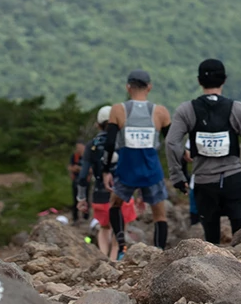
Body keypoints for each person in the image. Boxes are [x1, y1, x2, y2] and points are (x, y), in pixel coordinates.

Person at [166, 58, 241, 244]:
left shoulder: (186, 110)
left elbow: (172, 143)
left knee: (211, 239)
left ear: (199, 81)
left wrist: (177, 177)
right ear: (224, 80)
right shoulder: (237, 109)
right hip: (233, 179)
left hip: (204, 182)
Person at [103, 69, 173, 250]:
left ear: (128, 87)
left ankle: (121, 245)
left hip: (127, 169)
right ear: (149, 87)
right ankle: (159, 252)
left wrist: (105, 171)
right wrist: (179, 171)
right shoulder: (160, 112)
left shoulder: (118, 110)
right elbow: (172, 143)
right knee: (160, 215)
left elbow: (109, 143)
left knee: (115, 204)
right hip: (152, 170)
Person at [76, 105, 133, 261]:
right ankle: (115, 260)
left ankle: (103, 259)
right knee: (119, 231)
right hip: (123, 193)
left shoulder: (91, 145)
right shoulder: (124, 142)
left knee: (104, 227)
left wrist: (81, 199)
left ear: (98, 124)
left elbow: (82, 176)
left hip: (99, 194)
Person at [69, 141, 87, 221]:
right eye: (77, 147)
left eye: (80, 147)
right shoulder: (74, 156)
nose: (78, 149)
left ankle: (86, 216)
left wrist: (81, 169)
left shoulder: (88, 156)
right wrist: (75, 168)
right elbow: (70, 167)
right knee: (75, 198)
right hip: (76, 180)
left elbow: (91, 169)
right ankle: (75, 217)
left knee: (86, 198)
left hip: (86, 180)